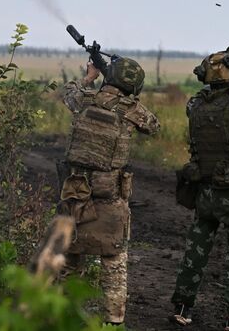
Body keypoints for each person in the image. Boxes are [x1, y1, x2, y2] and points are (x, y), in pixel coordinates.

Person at [56, 57, 160, 325]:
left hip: (75, 195)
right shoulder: (131, 109)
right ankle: (113, 323)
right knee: (113, 263)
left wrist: (89, 78)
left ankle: (65, 319)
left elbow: (68, 92)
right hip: (111, 198)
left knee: (70, 259)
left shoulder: (84, 99)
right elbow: (153, 125)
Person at [170, 45, 229, 331]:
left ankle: (183, 308)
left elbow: (202, 99)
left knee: (196, 249)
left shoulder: (194, 106)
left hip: (204, 192)